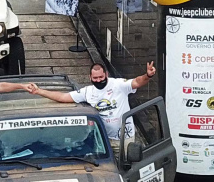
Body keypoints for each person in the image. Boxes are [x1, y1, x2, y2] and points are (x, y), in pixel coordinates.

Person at [25, 61, 156, 152]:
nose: (98, 80)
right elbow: (62, 97)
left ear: (106, 75)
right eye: (95, 78)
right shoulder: (87, 92)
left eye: (101, 77)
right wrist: (39, 91)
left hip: (125, 138)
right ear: (90, 77)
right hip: (104, 140)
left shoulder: (119, 85)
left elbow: (138, 82)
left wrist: (148, 75)